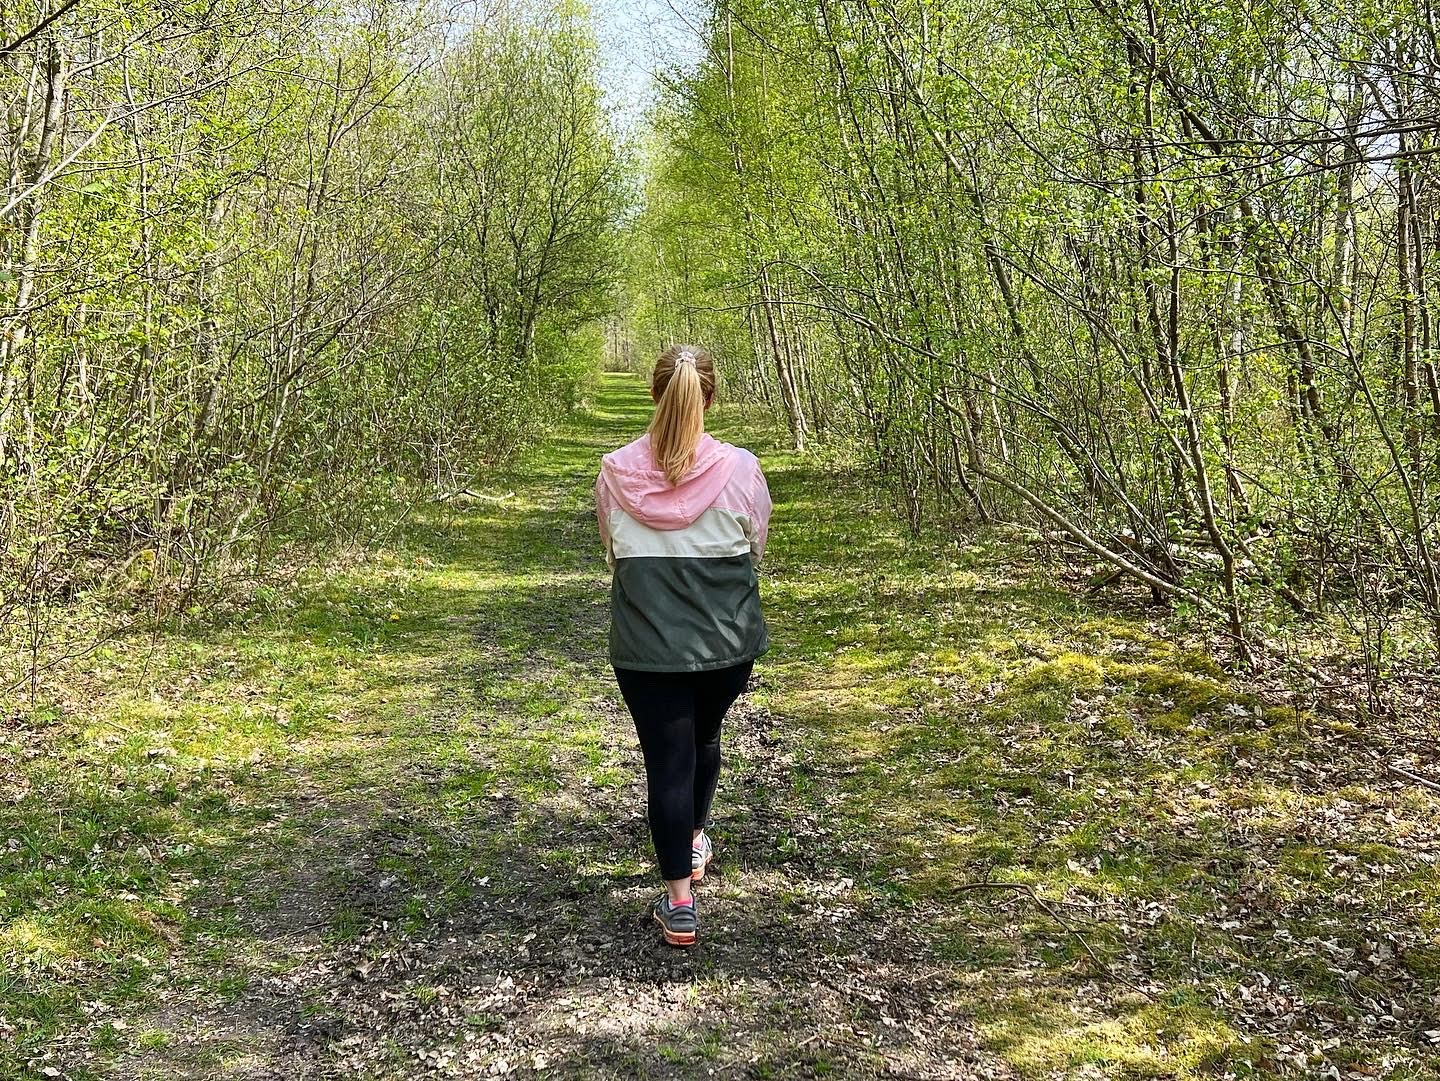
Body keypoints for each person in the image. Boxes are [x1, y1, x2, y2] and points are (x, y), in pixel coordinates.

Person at [594, 344, 773, 947]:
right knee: (705, 736)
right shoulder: (741, 469)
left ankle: (679, 902)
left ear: (654, 394)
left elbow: (612, 552)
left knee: (669, 762)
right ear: (710, 399)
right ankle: (694, 839)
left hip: (648, 648)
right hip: (726, 643)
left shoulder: (615, 471)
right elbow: (756, 546)